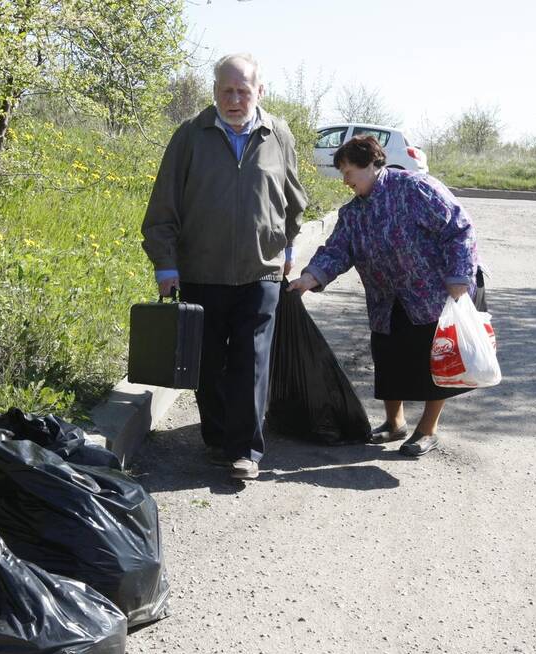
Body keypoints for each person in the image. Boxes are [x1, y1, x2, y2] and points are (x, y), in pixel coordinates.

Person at [141, 53, 307, 484]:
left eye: (243, 91)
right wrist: (165, 265)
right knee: (208, 363)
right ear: (214, 92)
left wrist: (287, 245)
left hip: (261, 270)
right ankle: (217, 438)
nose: (234, 100)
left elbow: (293, 198)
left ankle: (245, 450)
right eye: (226, 91)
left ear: (259, 92)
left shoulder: (278, 134)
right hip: (201, 270)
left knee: (251, 360)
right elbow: (164, 205)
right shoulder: (190, 136)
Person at [287, 134, 478, 457]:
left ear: (370, 165)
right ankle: (394, 423)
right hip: (386, 300)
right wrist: (309, 278)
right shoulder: (353, 213)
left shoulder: (414, 188)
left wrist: (460, 275)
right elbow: (336, 251)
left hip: (432, 295)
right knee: (389, 360)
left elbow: (458, 227)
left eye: (348, 172)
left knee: (435, 364)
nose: (345, 181)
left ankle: (427, 430)